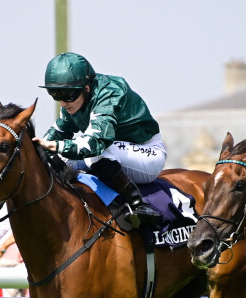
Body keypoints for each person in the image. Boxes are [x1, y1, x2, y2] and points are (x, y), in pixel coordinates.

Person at [33, 52, 167, 228]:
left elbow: (96, 143)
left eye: (67, 94)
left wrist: (55, 145)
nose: (63, 102)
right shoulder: (72, 104)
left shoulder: (109, 93)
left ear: (86, 88)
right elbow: (52, 138)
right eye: (56, 94)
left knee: (95, 154)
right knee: (60, 159)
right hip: (117, 152)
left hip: (147, 152)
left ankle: (137, 203)